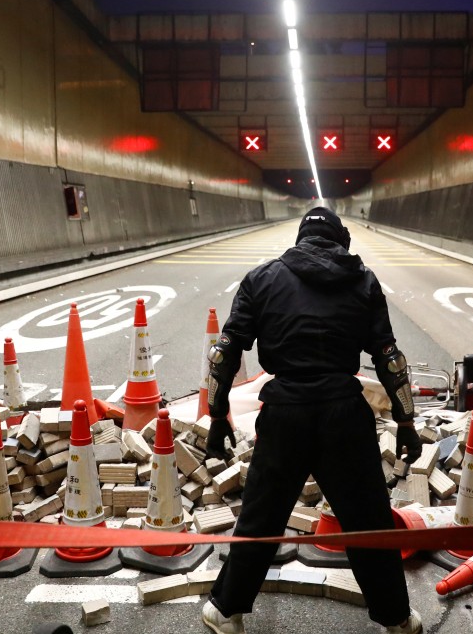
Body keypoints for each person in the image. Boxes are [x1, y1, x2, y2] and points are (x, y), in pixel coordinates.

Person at [200, 207, 423, 634]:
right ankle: (396, 619)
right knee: (368, 522)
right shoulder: (363, 281)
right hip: (344, 412)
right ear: (341, 241)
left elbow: (225, 352)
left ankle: (225, 611)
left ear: (300, 239)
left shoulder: (262, 279)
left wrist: (216, 415)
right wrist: (406, 421)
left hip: (285, 413)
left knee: (261, 519)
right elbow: (389, 359)